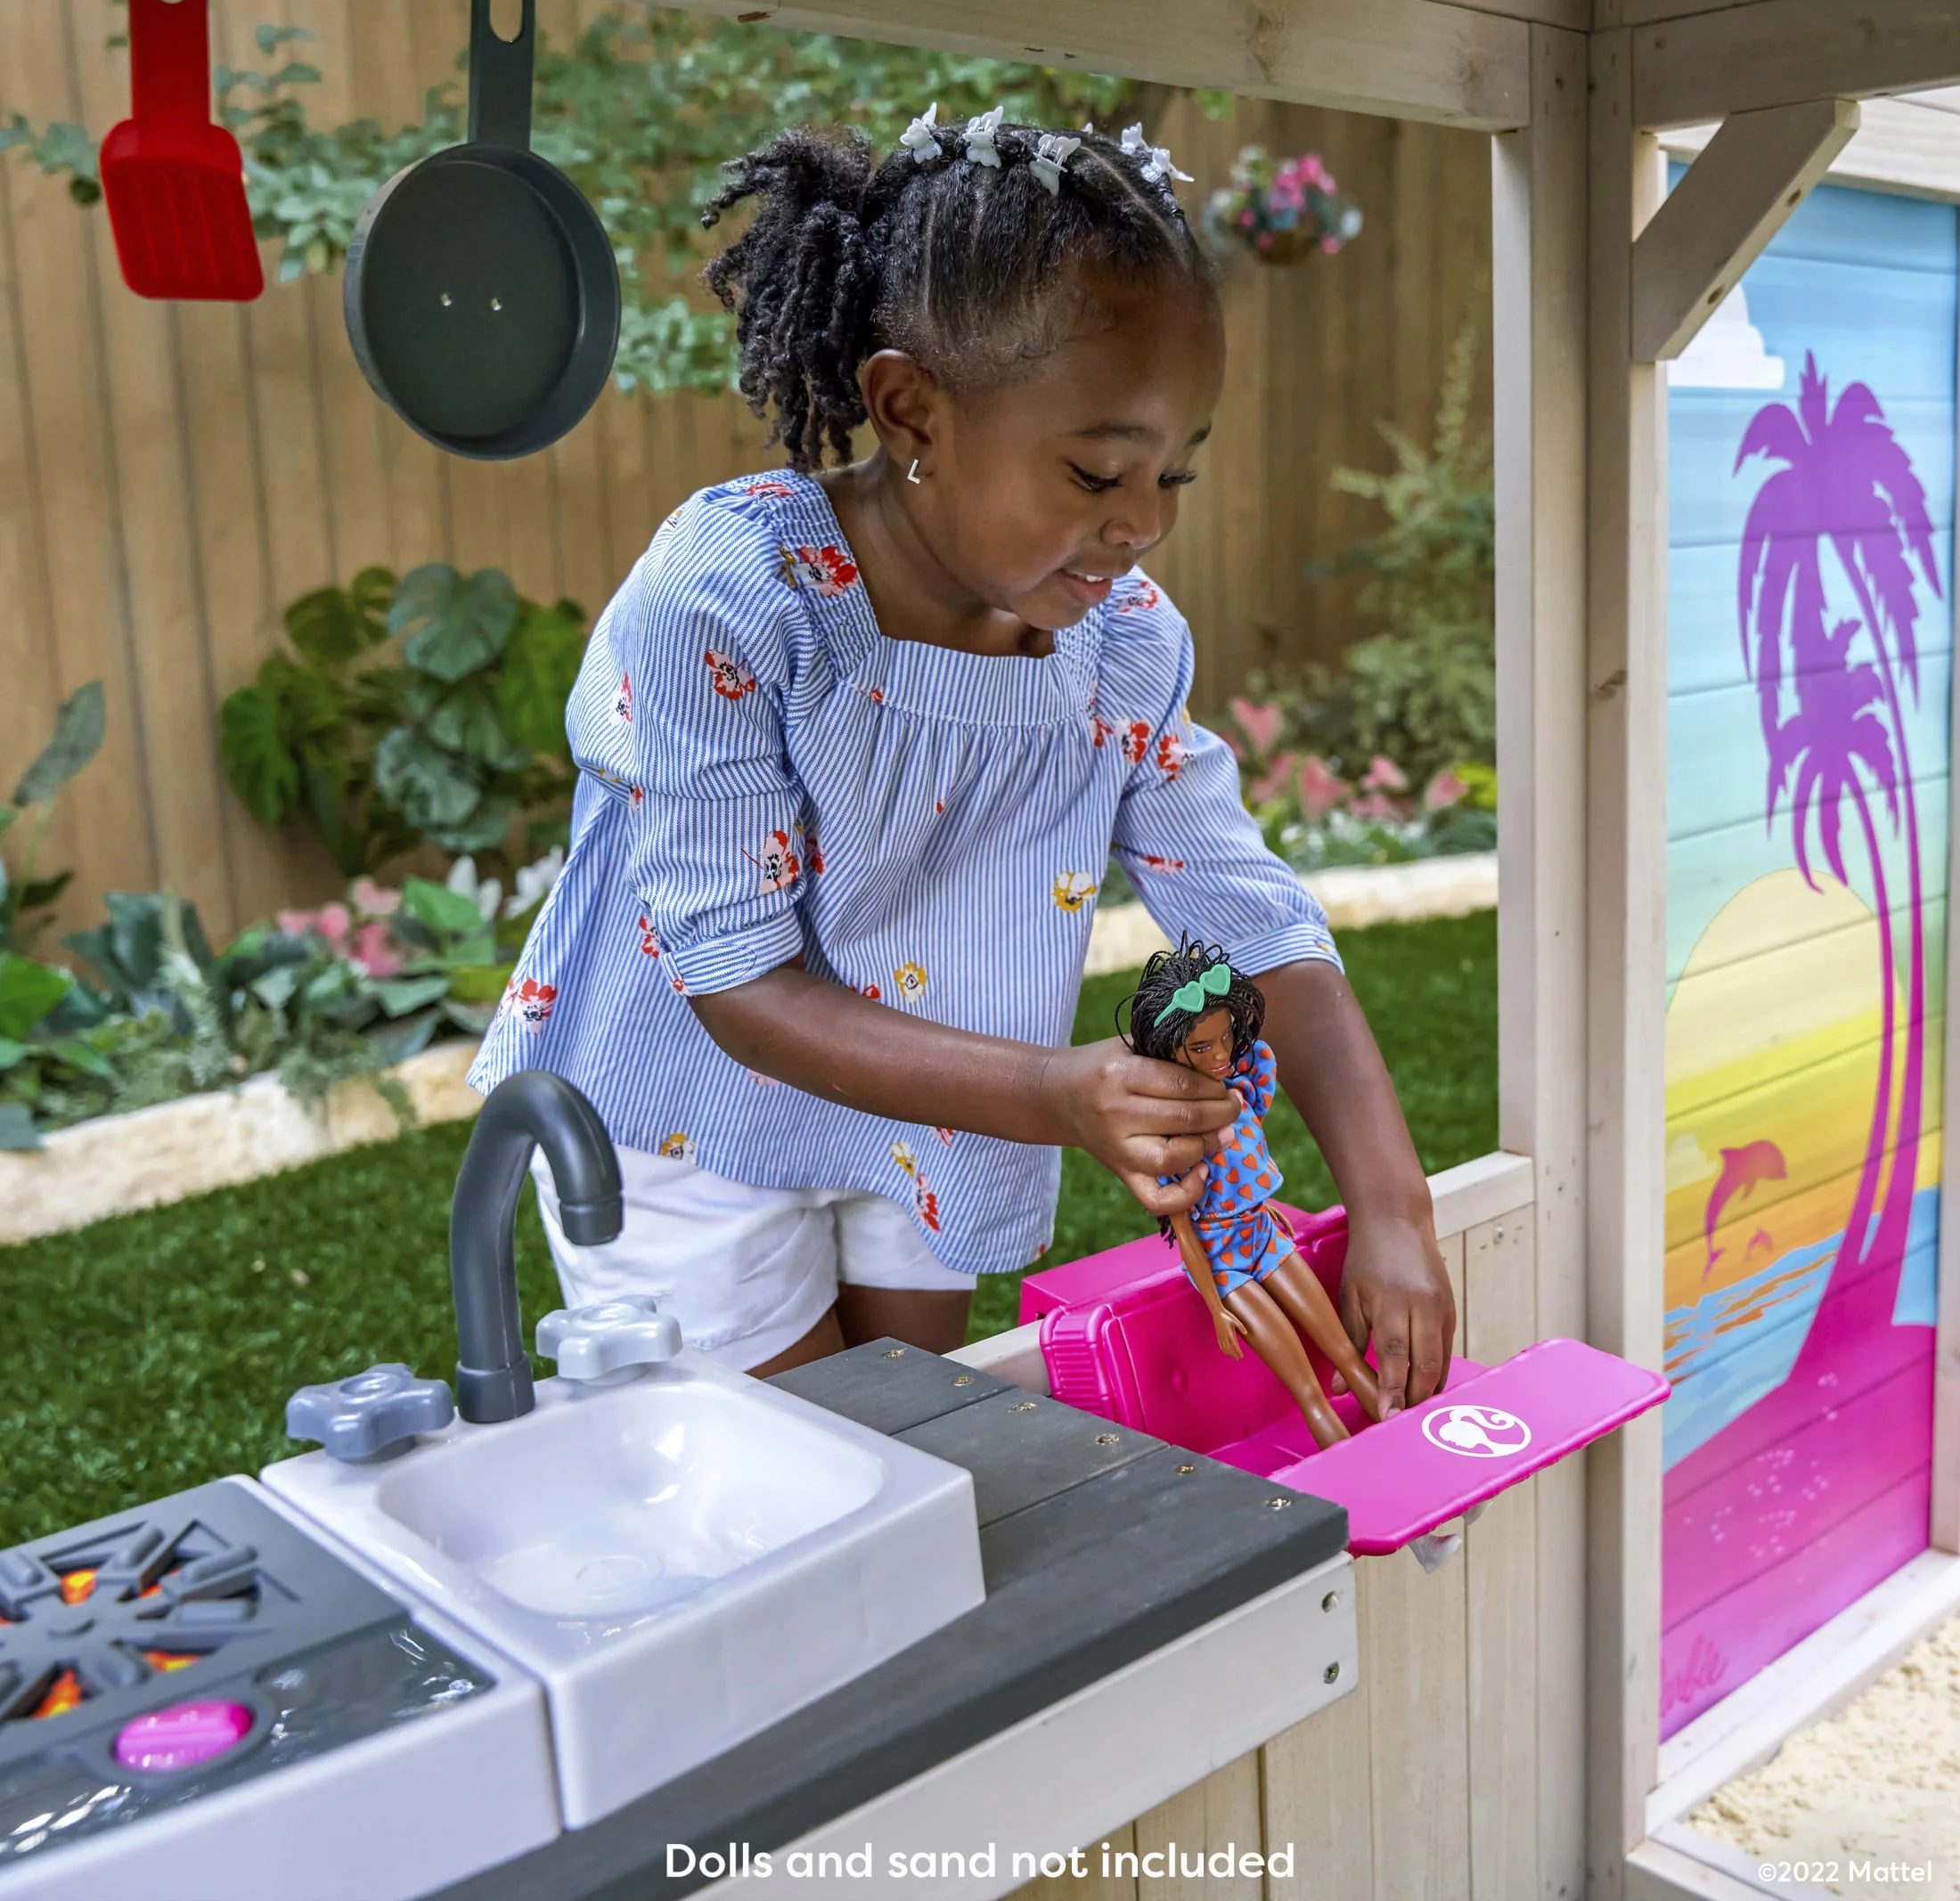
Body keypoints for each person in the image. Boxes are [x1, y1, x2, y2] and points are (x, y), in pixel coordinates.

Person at [468, 105, 1456, 1402]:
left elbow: (1254, 920)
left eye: (1177, 478)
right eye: (1101, 475)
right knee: (776, 1485)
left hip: (948, 1108)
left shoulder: (1124, 653)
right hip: (687, 1123)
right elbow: (736, 982)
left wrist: (1393, 1208)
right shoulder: (730, 605)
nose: (1147, 526)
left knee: (896, 1448)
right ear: (911, 410)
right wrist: (1057, 1094)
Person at [1124, 937, 1392, 1450]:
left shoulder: (1239, 1089)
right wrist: (1214, 1307)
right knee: (1307, 1390)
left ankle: (1404, 1447)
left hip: (1265, 1235)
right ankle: (1356, 1477)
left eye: (1224, 1039)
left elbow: (1240, 1167)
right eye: (1202, 1048)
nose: (1221, 1055)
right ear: (1170, 1051)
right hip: (1225, 1265)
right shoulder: (1171, 1138)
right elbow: (1184, 1230)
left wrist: (1260, 1204)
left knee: (1346, 1352)